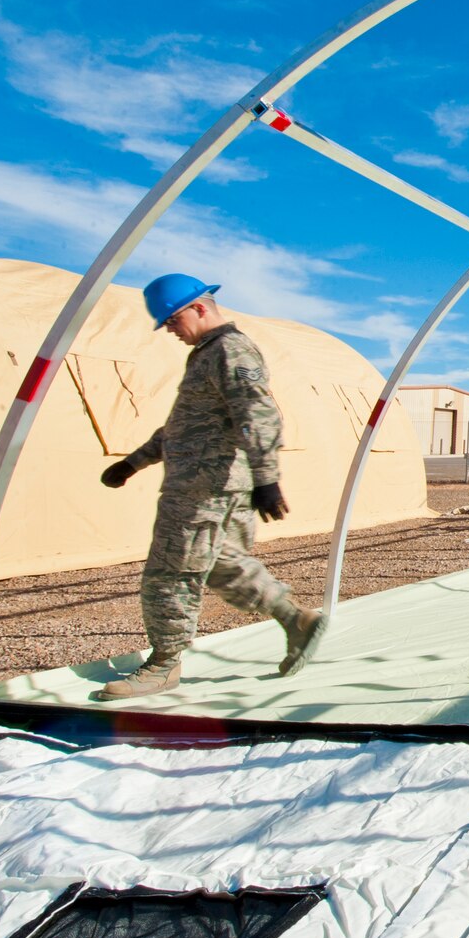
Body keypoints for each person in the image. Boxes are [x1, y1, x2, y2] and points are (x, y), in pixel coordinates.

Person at [95, 274, 328, 700]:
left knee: (170, 574)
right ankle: (296, 620)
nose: (169, 329)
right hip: (203, 487)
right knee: (221, 566)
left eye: (171, 319)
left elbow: (259, 414)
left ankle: (163, 665)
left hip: (204, 490)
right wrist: (133, 462)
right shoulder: (206, 355)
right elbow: (184, 428)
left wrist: (267, 477)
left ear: (199, 308)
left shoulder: (229, 350)